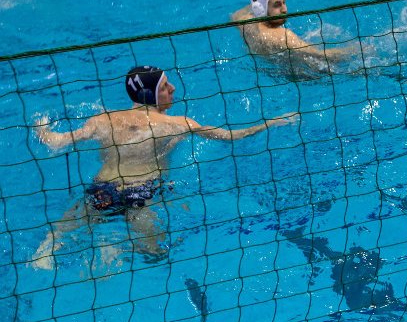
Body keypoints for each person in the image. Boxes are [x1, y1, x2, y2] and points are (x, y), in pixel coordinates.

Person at [30, 66, 296, 269]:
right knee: (155, 253)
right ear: (151, 93)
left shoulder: (104, 120)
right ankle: (116, 249)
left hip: (103, 189)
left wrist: (41, 129)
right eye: (166, 86)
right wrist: (271, 123)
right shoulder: (178, 123)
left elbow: (56, 142)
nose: (173, 90)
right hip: (142, 193)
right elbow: (232, 136)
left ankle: (45, 252)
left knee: (65, 228)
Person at [231, 0, 359, 73]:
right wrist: (355, 50)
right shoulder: (282, 36)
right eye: (277, 5)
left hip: (269, 68)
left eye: (284, 2)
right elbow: (321, 55)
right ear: (261, 9)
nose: (285, 9)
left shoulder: (243, 22)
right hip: (296, 72)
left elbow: (235, 14)